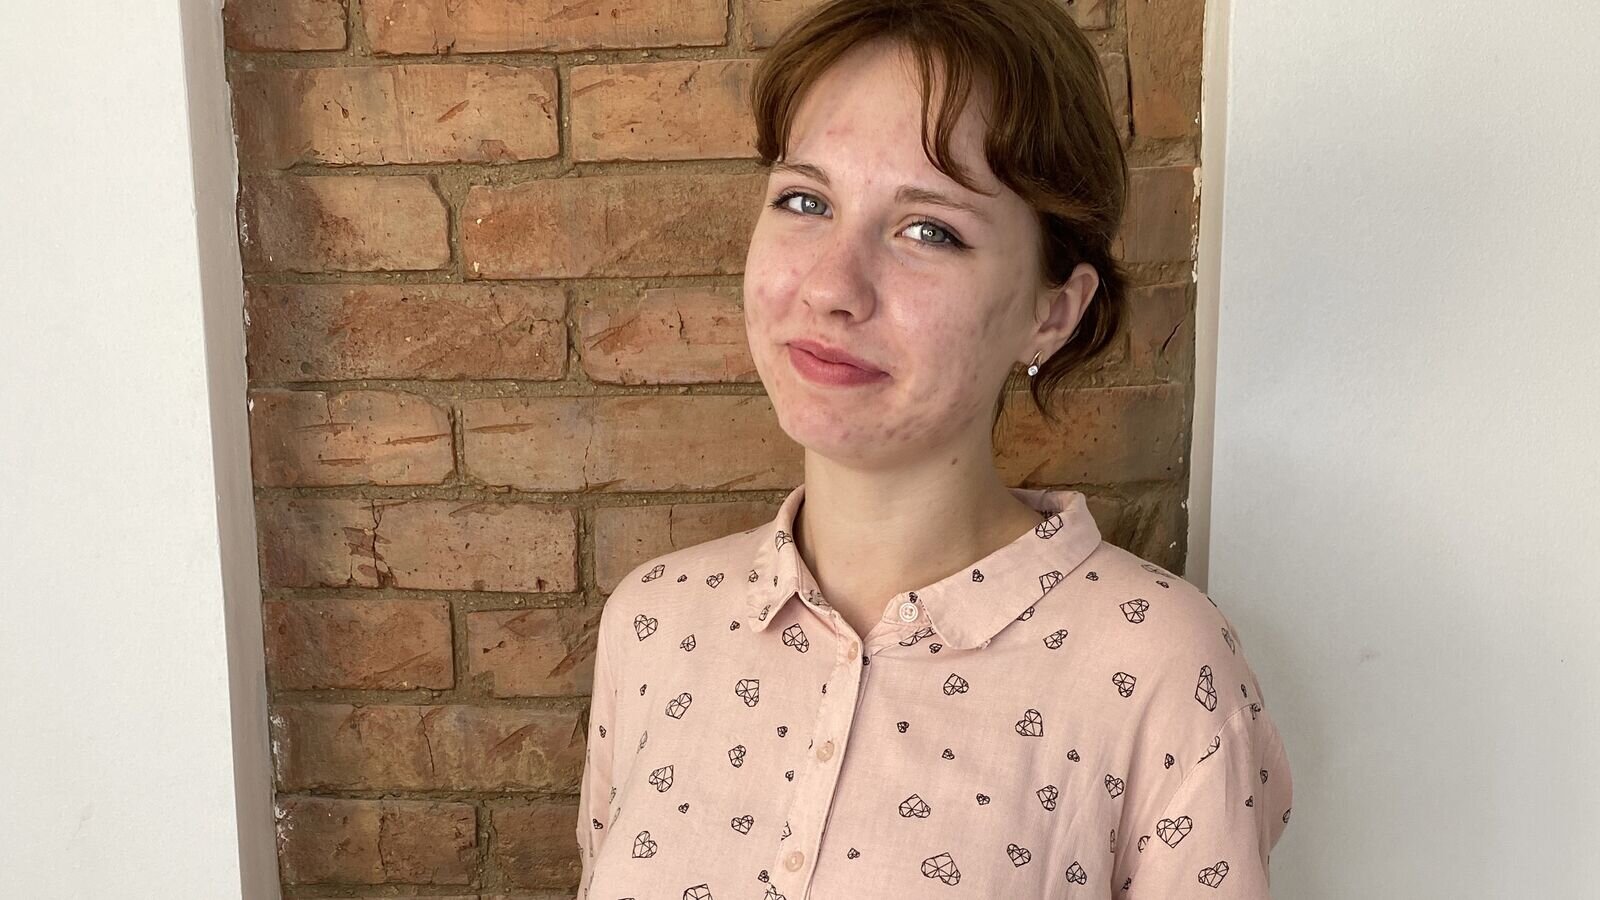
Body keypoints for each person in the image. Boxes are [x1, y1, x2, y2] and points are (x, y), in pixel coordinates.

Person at [576, 0, 1293, 897]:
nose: (832, 287)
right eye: (805, 201)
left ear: (1051, 313)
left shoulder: (1160, 670)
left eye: (930, 230)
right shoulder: (654, 623)